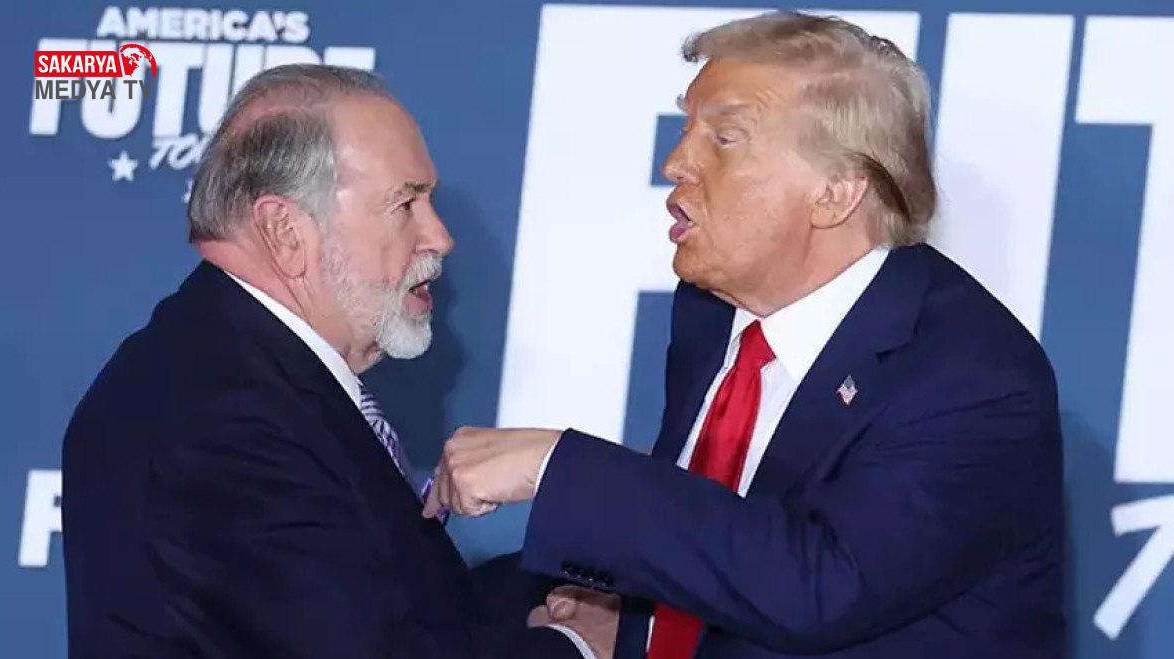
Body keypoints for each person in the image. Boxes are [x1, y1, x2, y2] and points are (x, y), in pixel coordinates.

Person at [426, 11, 1065, 659]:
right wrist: (635, 609)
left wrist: (557, 465)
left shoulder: (972, 379)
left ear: (835, 193)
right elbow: (725, 547)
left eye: (724, 138)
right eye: (686, 130)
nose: (675, 162)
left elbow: (819, 587)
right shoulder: (710, 310)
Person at [61, 64, 610, 658]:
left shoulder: (244, 371)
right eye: (406, 204)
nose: (440, 236)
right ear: (285, 231)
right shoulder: (225, 419)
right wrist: (577, 644)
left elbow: (402, 608)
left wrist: (572, 588)